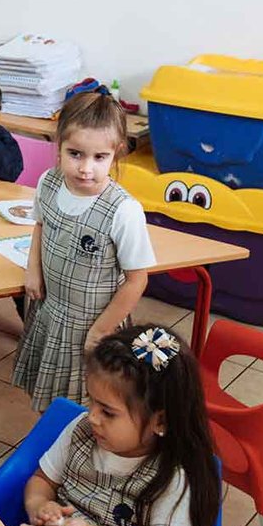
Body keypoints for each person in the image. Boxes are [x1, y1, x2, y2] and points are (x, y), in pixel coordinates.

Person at [0, 325, 221, 526]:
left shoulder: (174, 479)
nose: (92, 417)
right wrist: (41, 506)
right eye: (91, 401)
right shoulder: (80, 431)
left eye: (108, 412)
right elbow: (42, 480)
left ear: (160, 420)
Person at [12, 91, 154, 413]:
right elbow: (41, 224)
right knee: (51, 398)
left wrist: (101, 330)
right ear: (58, 144)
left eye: (99, 157)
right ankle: (51, 449)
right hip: (50, 309)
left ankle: (76, 456)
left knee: (88, 404)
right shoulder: (49, 181)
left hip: (93, 322)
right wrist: (32, 268)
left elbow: (137, 281)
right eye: (75, 154)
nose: (85, 168)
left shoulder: (124, 211)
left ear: (116, 153)